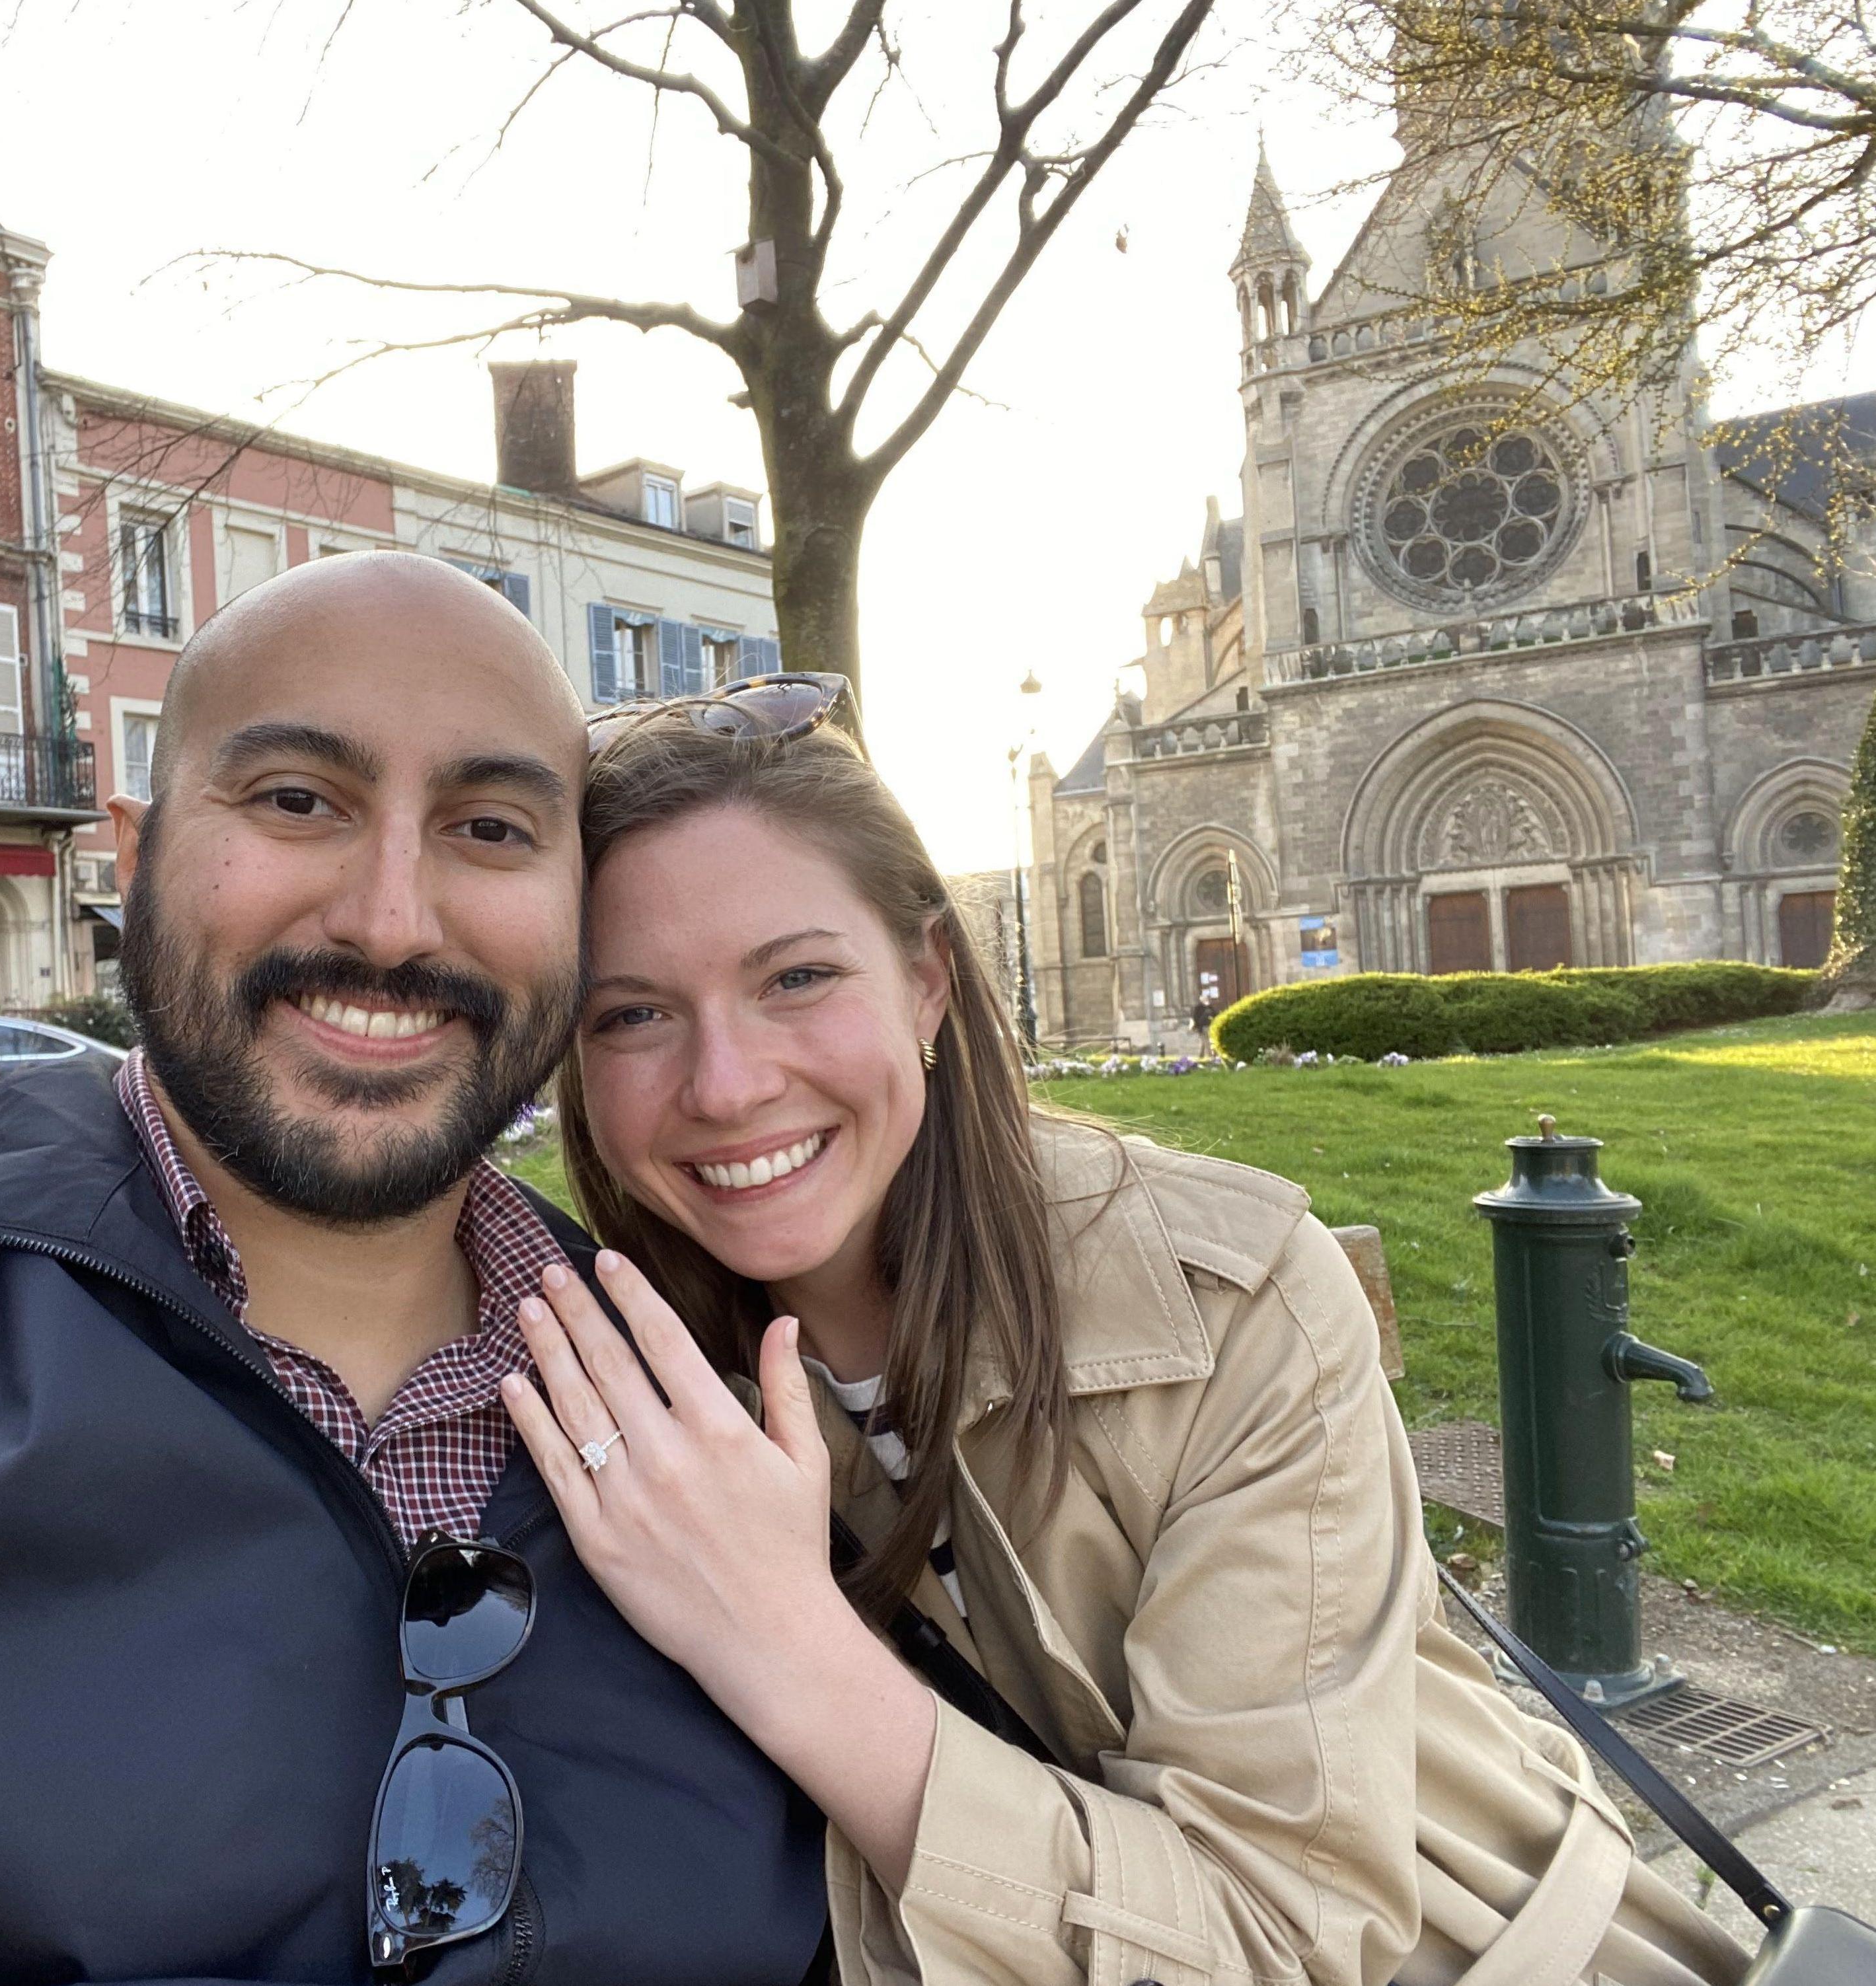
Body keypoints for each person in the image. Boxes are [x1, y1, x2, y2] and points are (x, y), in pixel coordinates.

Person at [500, 677, 1754, 1986]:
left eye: (797, 977)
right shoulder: (600, 1371)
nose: (725, 1084)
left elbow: (1277, 1937)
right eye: (631, 1014)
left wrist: (783, 1650)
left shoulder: (1228, 1304)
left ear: (926, 980)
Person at [0, 557, 826, 1986]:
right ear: (136, 855)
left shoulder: (723, 1401)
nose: (392, 923)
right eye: (295, 801)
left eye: (490, 829)